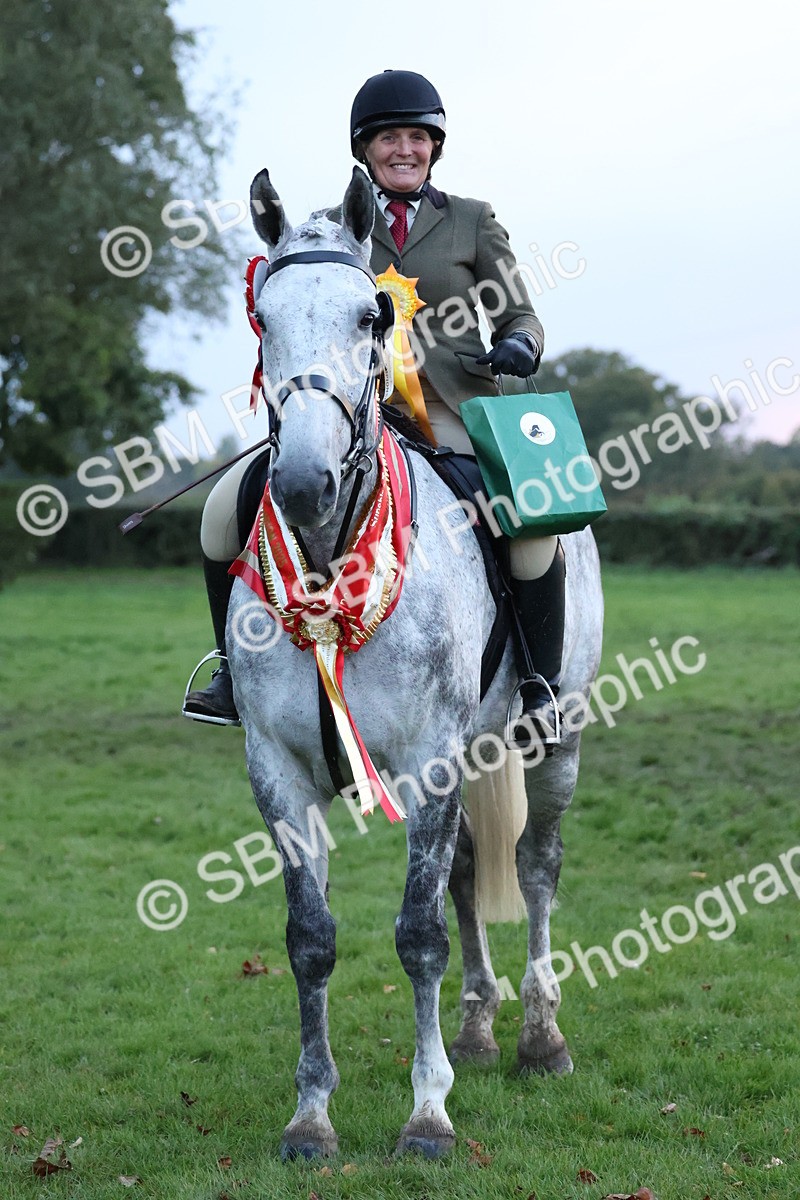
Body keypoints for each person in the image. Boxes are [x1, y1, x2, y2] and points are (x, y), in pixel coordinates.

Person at [186, 69, 565, 751]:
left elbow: (521, 312)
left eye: (417, 137)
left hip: (450, 407)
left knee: (534, 529)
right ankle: (232, 672)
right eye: (390, 137)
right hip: (347, 411)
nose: (405, 149)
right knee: (222, 511)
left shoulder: (473, 220)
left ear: (434, 147)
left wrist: (519, 342)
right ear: (366, 148)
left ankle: (538, 683)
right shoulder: (329, 230)